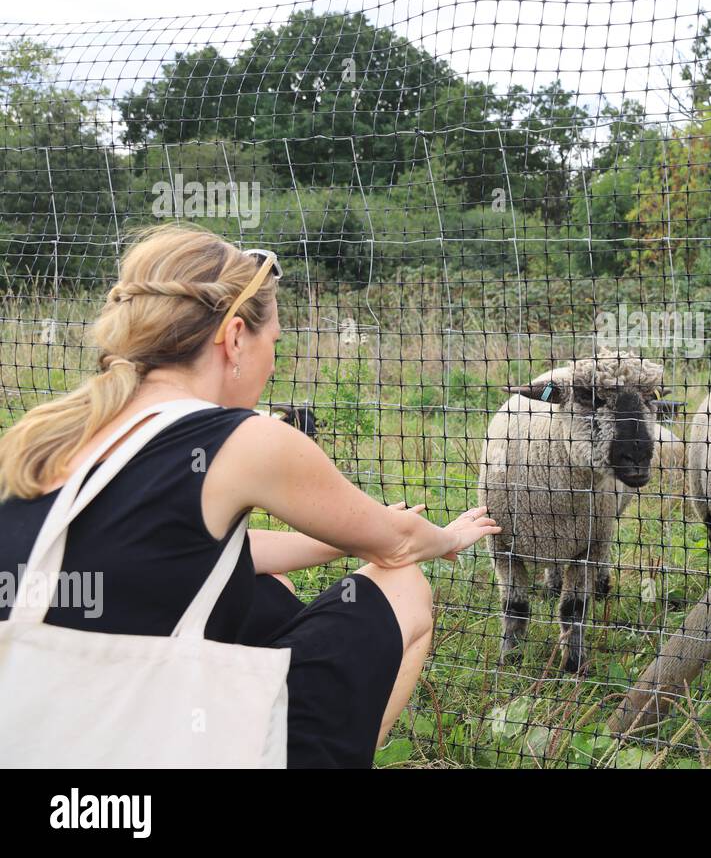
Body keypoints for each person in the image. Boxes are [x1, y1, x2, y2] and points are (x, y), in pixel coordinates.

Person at [0, 223, 500, 767]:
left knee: (267, 585)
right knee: (401, 585)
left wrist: (337, 542)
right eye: (274, 342)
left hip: (43, 728)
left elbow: (183, 550)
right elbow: (399, 546)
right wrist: (445, 537)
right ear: (235, 337)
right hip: (142, 740)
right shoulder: (243, 439)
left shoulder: (49, 432)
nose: (273, 359)